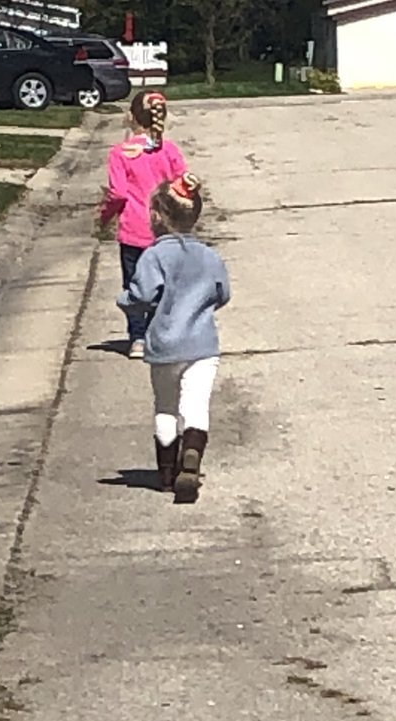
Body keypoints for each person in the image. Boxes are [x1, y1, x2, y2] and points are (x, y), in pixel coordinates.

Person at [117, 174, 231, 504]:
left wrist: (125, 302)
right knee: (196, 405)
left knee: (165, 406)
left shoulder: (154, 256)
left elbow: (141, 295)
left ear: (156, 217)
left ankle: (166, 475)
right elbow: (222, 294)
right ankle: (192, 456)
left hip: (165, 345)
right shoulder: (210, 257)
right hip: (202, 345)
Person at [98, 90, 187, 360]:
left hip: (134, 232)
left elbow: (119, 194)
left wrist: (104, 216)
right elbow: (181, 183)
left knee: (135, 287)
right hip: (165, 232)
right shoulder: (169, 151)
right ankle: (162, 335)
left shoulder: (120, 153)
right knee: (166, 285)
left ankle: (138, 338)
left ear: (130, 117)